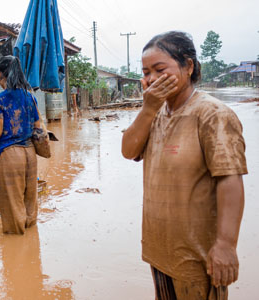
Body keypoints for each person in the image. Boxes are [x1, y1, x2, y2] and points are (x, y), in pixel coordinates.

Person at [121, 31, 247, 299]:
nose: (151, 79)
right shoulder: (154, 114)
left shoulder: (212, 114)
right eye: (146, 72)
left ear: (188, 67)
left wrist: (226, 245)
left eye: (159, 69)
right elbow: (128, 151)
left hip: (198, 256)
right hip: (160, 249)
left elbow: (230, 179)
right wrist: (147, 109)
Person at [0, 55, 40, 234]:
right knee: (30, 199)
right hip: (31, 153)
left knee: (12, 204)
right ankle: (30, 247)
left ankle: (16, 249)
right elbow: (38, 127)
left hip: (11, 155)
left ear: (0, 74)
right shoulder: (30, 97)